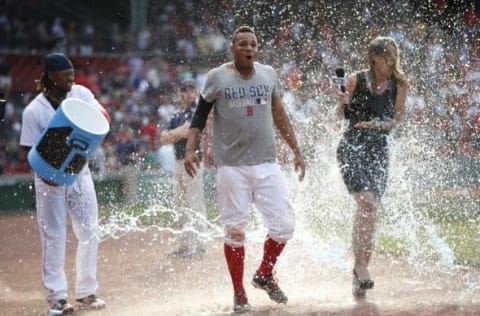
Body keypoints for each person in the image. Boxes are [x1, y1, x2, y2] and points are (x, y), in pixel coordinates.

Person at [183, 25, 306, 313]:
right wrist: (190, 150)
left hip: (266, 162)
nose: (248, 48)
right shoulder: (217, 78)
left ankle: (264, 273)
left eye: (253, 44)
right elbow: (200, 116)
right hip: (231, 168)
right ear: (232, 49)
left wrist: (297, 151)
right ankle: (239, 292)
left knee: (284, 226)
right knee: (235, 231)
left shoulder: (269, 74)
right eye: (242, 44)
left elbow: (279, 114)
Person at [19, 53, 106, 314]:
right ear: (50, 76)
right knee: (54, 236)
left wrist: (98, 114)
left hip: (79, 173)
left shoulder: (80, 94)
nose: (71, 77)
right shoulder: (34, 110)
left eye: (72, 73)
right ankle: (57, 298)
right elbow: (27, 150)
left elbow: (102, 116)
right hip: (49, 180)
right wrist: (45, 175)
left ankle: (87, 292)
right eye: (66, 74)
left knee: (90, 230)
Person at [335, 36, 408, 298]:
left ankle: (360, 268)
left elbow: (396, 120)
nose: (390, 62)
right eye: (385, 57)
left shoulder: (400, 83)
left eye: (393, 57)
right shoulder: (355, 79)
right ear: (374, 57)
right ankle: (362, 267)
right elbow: (339, 116)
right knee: (366, 202)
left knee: (370, 209)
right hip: (352, 146)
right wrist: (341, 102)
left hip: (379, 150)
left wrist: (377, 125)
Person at [160, 78, 207, 258]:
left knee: (195, 203)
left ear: (195, 92)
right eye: (184, 90)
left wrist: (174, 134)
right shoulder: (177, 114)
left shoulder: (197, 110)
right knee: (181, 204)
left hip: (193, 160)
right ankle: (186, 245)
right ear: (180, 93)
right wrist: (175, 133)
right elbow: (163, 138)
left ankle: (199, 245)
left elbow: (188, 131)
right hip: (178, 161)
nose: (187, 93)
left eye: (190, 90)